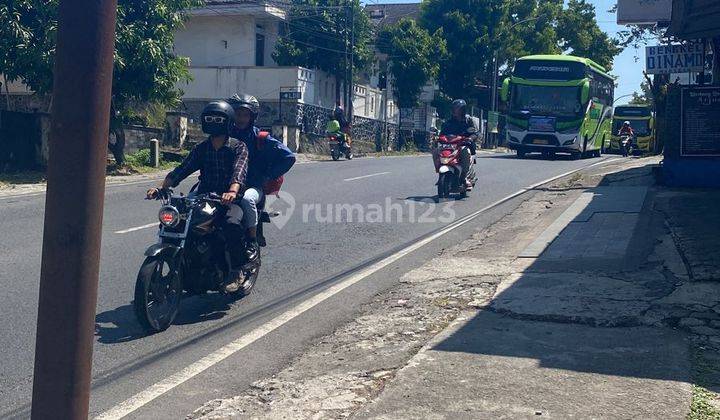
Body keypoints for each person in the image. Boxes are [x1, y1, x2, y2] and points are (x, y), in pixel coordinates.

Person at [146, 100, 250, 292]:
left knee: (230, 225)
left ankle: (237, 271)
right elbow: (181, 170)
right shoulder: (202, 148)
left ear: (227, 122)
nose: (213, 122)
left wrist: (232, 191)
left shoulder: (238, 147)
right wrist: (161, 188)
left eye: (218, 119)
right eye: (210, 119)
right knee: (179, 221)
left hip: (229, 199)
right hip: (203, 196)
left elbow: (239, 172)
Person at [226, 93, 296, 255]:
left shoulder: (260, 138)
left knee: (246, 199)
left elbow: (289, 157)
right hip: (225, 184)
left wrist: (268, 177)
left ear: (252, 117)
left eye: (245, 115)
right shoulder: (225, 135)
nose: (241, 119)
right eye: (238, 114)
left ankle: (251, 239)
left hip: (252, 186)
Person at [438, 99, 478, 187]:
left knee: (465, 151)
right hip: (450, 145)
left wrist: (470, 139)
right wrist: (437, 138)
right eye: (455, 109)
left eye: (459, 109)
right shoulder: (448, 122)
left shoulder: (468, 120)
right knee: (436, 151)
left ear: (463, 109)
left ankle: (464, 177)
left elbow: (475, 133)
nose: (456, 111)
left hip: (464, 144)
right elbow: (442, 133)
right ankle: (440, 171)